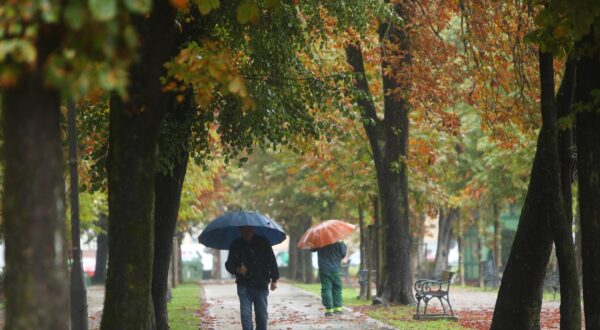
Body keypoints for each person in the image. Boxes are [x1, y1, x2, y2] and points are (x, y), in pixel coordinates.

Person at [225, 226, 279, 330]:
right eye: (244, 231)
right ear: (240, 231)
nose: (247, 233)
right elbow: (228, 264)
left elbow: (271, 260)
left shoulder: (263, 242)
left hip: (261, 283)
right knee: (245, 315)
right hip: (244, 284)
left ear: (253, 230)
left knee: (262, 316)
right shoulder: (236, 244)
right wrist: (237, 269)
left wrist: (274, 279)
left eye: (249, 230)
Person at [313, 241, 347, 316]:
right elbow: (343, 254)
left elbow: (312, 249)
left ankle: (329, 310)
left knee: (326, 288)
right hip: (336, 269)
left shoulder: (320, 241)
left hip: (324, 269)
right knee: (337, 288)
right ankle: (338, 309)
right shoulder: (339, 242)